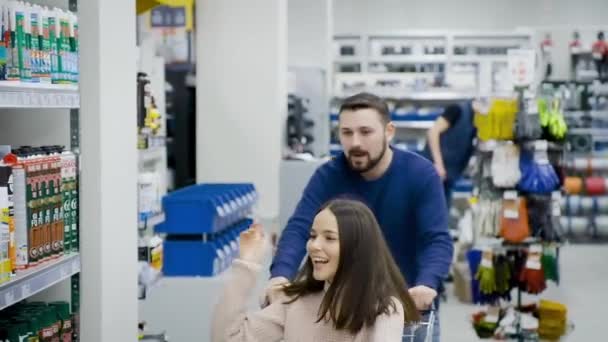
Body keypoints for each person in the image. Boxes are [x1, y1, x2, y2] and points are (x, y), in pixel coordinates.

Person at [267, 92, 453, 341]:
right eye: (346, 133)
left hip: (408, 305)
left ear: (389, 131)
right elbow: (299, 227)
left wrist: (427, 283)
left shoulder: (421, 174)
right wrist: (280, 275)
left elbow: (436, 239)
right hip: (345, 310)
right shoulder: (328, 176)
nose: (355, 142)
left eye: (365, 132)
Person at [212, 199, 421, 342]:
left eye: (329, 238)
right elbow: (227, 338)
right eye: (312, 236)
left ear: (357, 249)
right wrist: (246, 265)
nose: (313, 245)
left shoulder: (384, 309)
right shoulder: (294, 303)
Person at [422, 101, 476, 207]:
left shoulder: (476, 120)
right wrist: (439, 165)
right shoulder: (457, 110)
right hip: (433, 170)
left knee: (442, 210)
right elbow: (433, 132)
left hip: (449, 175)